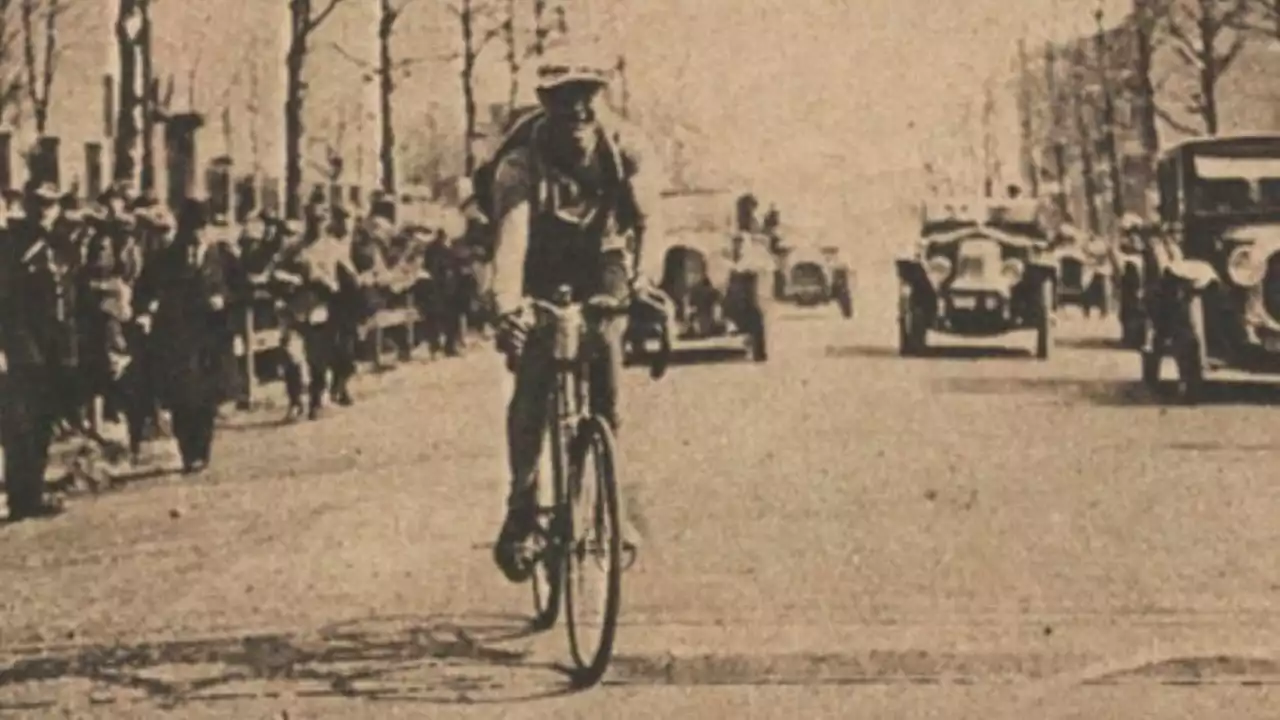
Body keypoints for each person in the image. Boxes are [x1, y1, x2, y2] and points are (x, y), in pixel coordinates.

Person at [486, 45, 671, 581]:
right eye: (565, 100)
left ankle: (609, 503)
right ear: (545, 103)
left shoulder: (625, 148)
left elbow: (649, 222)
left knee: (607, 373)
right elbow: (512, 241)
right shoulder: (519, 164)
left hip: (604, 257)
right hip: (540, 262)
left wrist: (642, 281)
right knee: (532, 382)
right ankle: (522, 508)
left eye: (587, 97)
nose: (579, 113)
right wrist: (509, 308)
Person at [0, 180, 81, 520]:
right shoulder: (10, 245)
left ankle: (32, 492)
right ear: (29, 207)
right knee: (21, 423)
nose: (46, 211)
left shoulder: (62, 245)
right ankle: (22, 497)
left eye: (52, 205)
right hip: (22, 347)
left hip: (54, 349)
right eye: (40, 205)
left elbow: (69, 298)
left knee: (44, 421)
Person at [132, 199, 229, 474]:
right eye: (190, 229)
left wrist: (223, 299)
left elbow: (238, 286)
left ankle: (202, 449)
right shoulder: (165, 258)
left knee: (207, 396)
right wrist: (146, 312)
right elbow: (145, 289)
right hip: (177, 335)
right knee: (182, 395)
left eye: (200, 228)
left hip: (210, 335)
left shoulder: (219, 256)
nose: (196, 235)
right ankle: (189, 451)